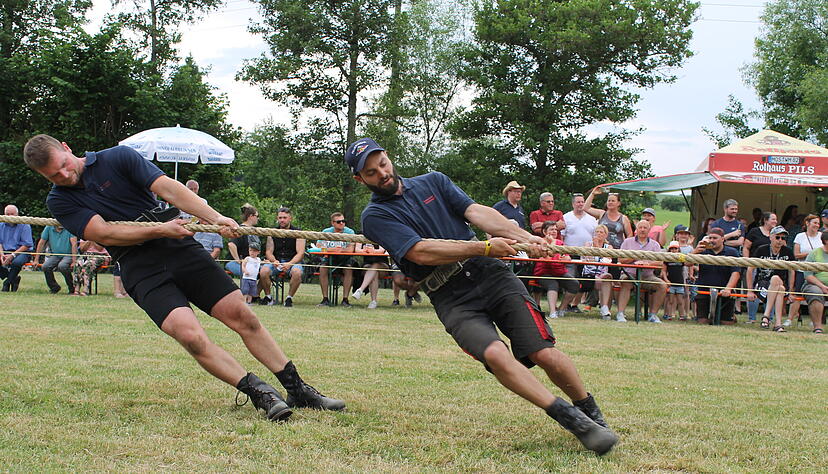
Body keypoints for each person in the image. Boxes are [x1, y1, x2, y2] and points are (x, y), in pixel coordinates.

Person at [24, 134, 344, 421]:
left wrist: (216, 217)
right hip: (139, 265)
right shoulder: (59, 200)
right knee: (189, 336)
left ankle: (298, 389)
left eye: (64, 165)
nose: (64, 175)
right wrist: (160, 228)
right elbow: (103, 232)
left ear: (67, 148)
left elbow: (167, 188)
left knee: (243, 317)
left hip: (178, 248)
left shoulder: (117, 157)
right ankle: (259, 393)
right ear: (42, 177)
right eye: (53, 175)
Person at [346, 137, 617, 455]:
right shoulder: (374, 217)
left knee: (543, 352)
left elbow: (476, 212)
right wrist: (484, 246)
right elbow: (420, 252)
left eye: (382, 164)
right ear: (360, 179)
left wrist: (525, 237)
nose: (382, 173)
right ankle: (571, 420)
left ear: (388, 157)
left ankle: (589, 411)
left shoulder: (433, 181)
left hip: (490, 274)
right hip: (449, 295)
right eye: (371, 172)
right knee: (495, 355)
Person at [616, 220, 667, 323]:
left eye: (645, 228)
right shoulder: (627, 242)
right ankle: (620, 313)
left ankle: (653, 314)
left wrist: (648, 263)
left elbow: (660, 262)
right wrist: (634, 258)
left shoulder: (655, 245)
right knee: (626, 283)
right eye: (640, 227)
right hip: (629, 274)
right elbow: (620, 260)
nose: (642, 230)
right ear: (636, 230)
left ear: (649, 230)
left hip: (647, 276)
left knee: (662, 285)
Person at [745, 226, 795, 332]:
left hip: (781, 283)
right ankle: (777, 323)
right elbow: (750, 269)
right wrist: (749, 290)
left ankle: (766, 316)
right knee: (779, 287)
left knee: (778, 282)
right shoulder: (761, 249)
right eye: (777, 237)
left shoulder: (788, 252)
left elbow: (792, 272)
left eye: (783, 238)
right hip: (762, 285)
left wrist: (791, 292)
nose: (780, 240)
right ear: (771, 237)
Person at [226, 204, 275, 306]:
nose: (258, 218)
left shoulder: (254, 231)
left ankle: (254, 296)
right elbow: (231, 244)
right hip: (239, 263)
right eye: (257, 216)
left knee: (264, 271)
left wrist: (261, 260)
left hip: (253, 262)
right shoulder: (240, 229)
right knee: (255, 272)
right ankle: (248, 297)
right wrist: (238, 260)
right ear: (251, 216)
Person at [691, 228, 741, 325]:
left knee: (725, 323)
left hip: (724, 291)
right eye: (710, 238)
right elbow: (687, 263)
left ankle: (731, 316)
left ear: (722, 239)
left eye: (715, 238)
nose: (712, 240)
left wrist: (728, 289)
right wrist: (695, 251)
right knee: (703, 322)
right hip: (704, 290)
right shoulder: (703, 250)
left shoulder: (732, 252)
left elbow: (736, 273)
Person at [533, 222, 579, 318]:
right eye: (551, 229)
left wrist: (566, 259)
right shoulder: (540, 243)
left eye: (555, 229)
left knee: (574, 284)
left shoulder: (560, 243)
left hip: (559, 272)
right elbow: (547, 260)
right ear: (544, 232)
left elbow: (567, 257)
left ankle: (562, 308)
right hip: (543, 272)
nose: (554, 231)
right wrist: (553, 245)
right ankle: (553, 312)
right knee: (553, 284)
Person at [264, 207, 305, 308]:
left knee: (297, 272)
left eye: (285, 217)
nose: (282, 220)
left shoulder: (298, 232)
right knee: (263, 271)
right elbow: (268, 252)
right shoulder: (272, 232)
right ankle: (268, 296)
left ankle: (289, 298)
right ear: (277, 218)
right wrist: (274, 261)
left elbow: (300, 253)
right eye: (280, 217)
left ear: (290, 218)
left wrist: (290, 263)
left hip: (293, 261)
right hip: (276, 261)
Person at [315, 212, 357, 307]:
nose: (342, 223)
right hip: (329, 258)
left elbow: (351, 250)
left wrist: (341, 250)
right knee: (323, 268)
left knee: (349, 269)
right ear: (332, 223)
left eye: (343, 221)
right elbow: (318, 247)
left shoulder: (350, 232)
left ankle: (345, 300)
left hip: (345, 259)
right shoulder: (326, 232)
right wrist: (330, 249)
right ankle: (325, 299)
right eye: (338, 222)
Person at [743, 212, 777, 323]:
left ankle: (769, 318)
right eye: (773, 219)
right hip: (755, 265)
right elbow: (746, 247)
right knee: (753, 290)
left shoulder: (778, 233)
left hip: (771, 267)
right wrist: (747, 261)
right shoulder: (754, 231)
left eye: (776, 220)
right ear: (765, 220)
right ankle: (752, 318)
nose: (775, 222)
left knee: (770, 290)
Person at [789, 214, 821, 327]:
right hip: (801, 270)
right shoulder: (800, 236)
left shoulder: (822, 236)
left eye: (818, 223)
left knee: (816, 295)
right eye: (815, 223)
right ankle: (790, 319)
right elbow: (796, 254)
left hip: (818, 272)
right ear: (807, 223)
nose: (817, 225)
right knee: (797, 295)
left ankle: (815, 320)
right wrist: (811, 254)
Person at [580, 225, 614, 319]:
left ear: (606, 235)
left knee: (607, 277)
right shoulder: (588, 245)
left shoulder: (609, 247)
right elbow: (587, 259)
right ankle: (603, 307)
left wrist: (597, 247)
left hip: (603, 274)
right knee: (599, 281)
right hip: (589, 274)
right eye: (597, 232)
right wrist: (595, 247)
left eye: (601, 232)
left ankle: (604, 307)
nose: (598, 234)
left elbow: (607, 261)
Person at [33, 224, 77, 294]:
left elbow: (74, 244)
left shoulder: (70, 227)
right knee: (45, 266)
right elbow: (41, 243)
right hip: (55, 255)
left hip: (69, 254)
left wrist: (74, 261)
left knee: (62, 266)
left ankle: (72, 288)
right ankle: (54, 287)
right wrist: (36, 259)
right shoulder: (48, 227)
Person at [0, 204, 33, 292]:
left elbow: (27, 245)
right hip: (4, 251)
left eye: (12, 214)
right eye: (7, 214)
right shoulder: (1, 225)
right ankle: (14, 278)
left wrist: (12, 255)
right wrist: (1, 254)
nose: (10, 216)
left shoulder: (25, 225)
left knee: (16, 262)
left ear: (17, 215)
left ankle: (6, 283)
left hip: (22, 252)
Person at [800, 231, 828, 334]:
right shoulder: (814, 253)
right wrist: (822, 286)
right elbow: (808, 275)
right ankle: (818, 327)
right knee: (815, 293)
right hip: (814, 285)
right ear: (826, 241)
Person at [351, 243, 390, 309]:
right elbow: (357, 249)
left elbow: (382, 250)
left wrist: (370, 250)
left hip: (382, 265)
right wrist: (365, 250)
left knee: (375, 265)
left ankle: (360, 290)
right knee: (374, 273)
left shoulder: (381, 236)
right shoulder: (362, 237)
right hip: (368, 265)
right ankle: (373, 301)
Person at [662, 241, 687, 321]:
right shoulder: (667, 259)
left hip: (679, 282)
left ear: (678, 249)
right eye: (671, 248)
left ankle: (682, 315)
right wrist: (666, 280)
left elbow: (689, 264)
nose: (673, 250)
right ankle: (669, 315)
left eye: (675, 248)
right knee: (670, 300)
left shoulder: (681, 259)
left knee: (680, 301)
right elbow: (663, 271)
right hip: (671, 283)